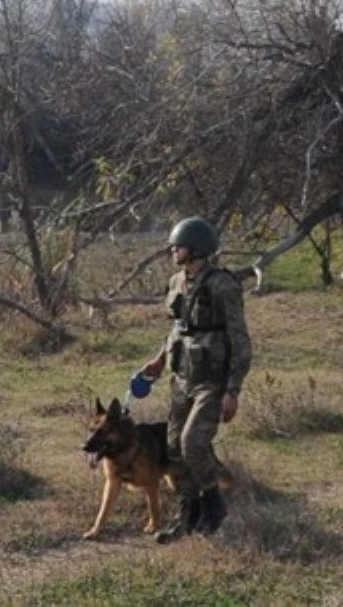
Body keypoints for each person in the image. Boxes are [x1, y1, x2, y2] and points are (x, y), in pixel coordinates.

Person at [138, 216, 251, 542]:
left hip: (212, 381)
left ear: (197, 249)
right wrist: (160, 360)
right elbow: (178, 328)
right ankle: (189, 514)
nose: (173, 250)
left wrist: (233, 390)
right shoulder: (177, 282)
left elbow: (240, 339)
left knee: (193, 443)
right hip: (182, 376)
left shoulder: (222, 285)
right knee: (173, 447)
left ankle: (214, 507)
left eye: (180, 245)